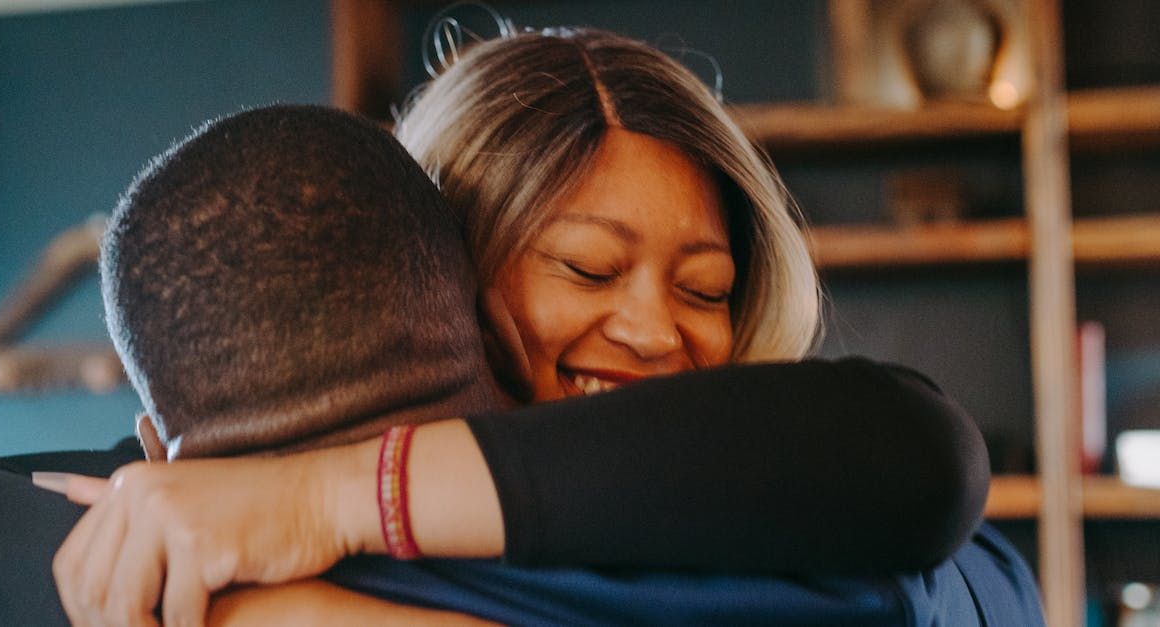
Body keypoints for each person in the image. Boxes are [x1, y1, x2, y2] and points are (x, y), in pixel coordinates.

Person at [50, 26, 992, 625]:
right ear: (448, 266)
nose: (657, 330)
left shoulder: (824, 541)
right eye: (589, 268)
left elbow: (927, 463)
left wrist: (319, 501)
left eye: (705, 288)